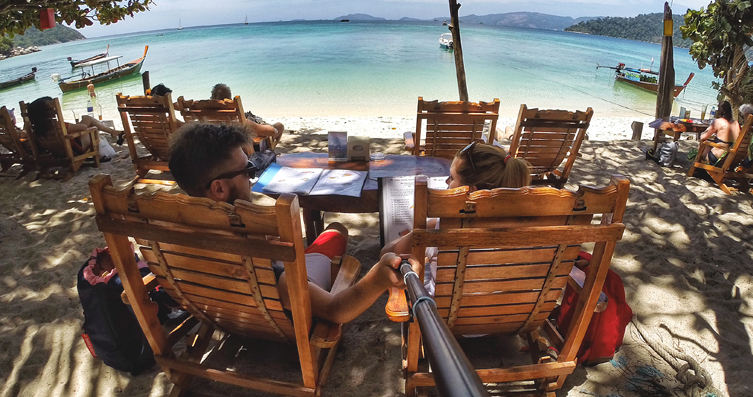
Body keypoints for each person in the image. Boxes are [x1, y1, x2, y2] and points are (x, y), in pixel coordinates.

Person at [168, 121, 419, 324]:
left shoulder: (167, 237)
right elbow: (336, 310)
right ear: (219, 188)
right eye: (247, 171)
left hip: (220, 312)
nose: (251, 178)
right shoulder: (259, 260)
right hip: (275, 315)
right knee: (336, 230)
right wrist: (378, 277)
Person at [382, 141, 532, 294]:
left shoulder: (445, 229)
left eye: (452, 178)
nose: (447, 182)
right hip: (512, 314)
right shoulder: (534, 230)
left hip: (439, 316)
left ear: (471, 193)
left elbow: (387, 254)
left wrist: (419, 232)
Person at [27, 96, 124, 152]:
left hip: (56, 151)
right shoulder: (57, 125)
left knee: (86, 118)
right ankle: (113, 132)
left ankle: (113, 132)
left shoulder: (36, 128)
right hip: (74, 149)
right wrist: (78, 125)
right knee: (89, 123)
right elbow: (83, 127)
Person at [211, 83, 284, 146]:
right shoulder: (238, 122)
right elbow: (272, 131)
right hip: (244, 155)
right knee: (279, 126)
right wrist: (261, 127)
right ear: (230, 101)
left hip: (218, 154)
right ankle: (270, 153)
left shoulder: (206, 122)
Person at [698, 100, 740, 166]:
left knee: (703, 144)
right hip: (730, 159)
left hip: (717, 159)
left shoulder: (718, 122)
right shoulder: (736, 123)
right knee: (711, 145)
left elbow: (702, 137)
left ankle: (699, 167)